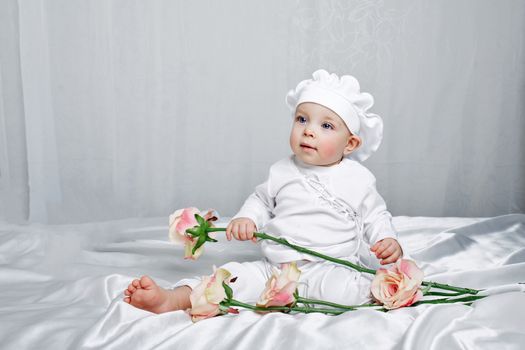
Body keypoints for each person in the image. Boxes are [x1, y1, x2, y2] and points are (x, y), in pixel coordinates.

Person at [124, 69, 403, 313]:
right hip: (274, 270)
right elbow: (260, 200)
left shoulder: (358, 179)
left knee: (354, 291)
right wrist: (248, 218)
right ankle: (174, 298)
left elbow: (376, 215)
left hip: (330, 267)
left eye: (326, 125)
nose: (308, 131)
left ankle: (388, 292)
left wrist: (387, 238)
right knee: (230, 278)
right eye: (302, 120)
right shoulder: (282, 170)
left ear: (351, 144)